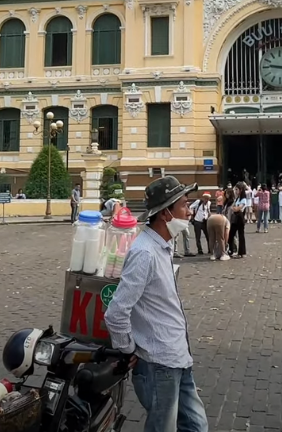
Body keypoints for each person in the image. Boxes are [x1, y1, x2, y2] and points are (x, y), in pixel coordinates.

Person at [104, 176, 208, 432]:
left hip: (178, 358)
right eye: (184, 205)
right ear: (165, 214)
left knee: (196, 426)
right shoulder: (144, 253)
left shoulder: (163, 246)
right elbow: (116, 312)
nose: (189, 210)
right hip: (158, 364)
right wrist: (128, 350)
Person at [228, 185, 248, 258]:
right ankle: (231, 250)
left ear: (241, 190)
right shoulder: (237, 199)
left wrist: (234, 208)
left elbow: (238, 208)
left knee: (241, 235)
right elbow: (232, 207)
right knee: (231, 234)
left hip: (240, 217)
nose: (235, 191)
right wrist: (234, 208)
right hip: (235, 217)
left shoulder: (243, 199)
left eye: (237, 190)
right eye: (235, 190)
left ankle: (242, 252)